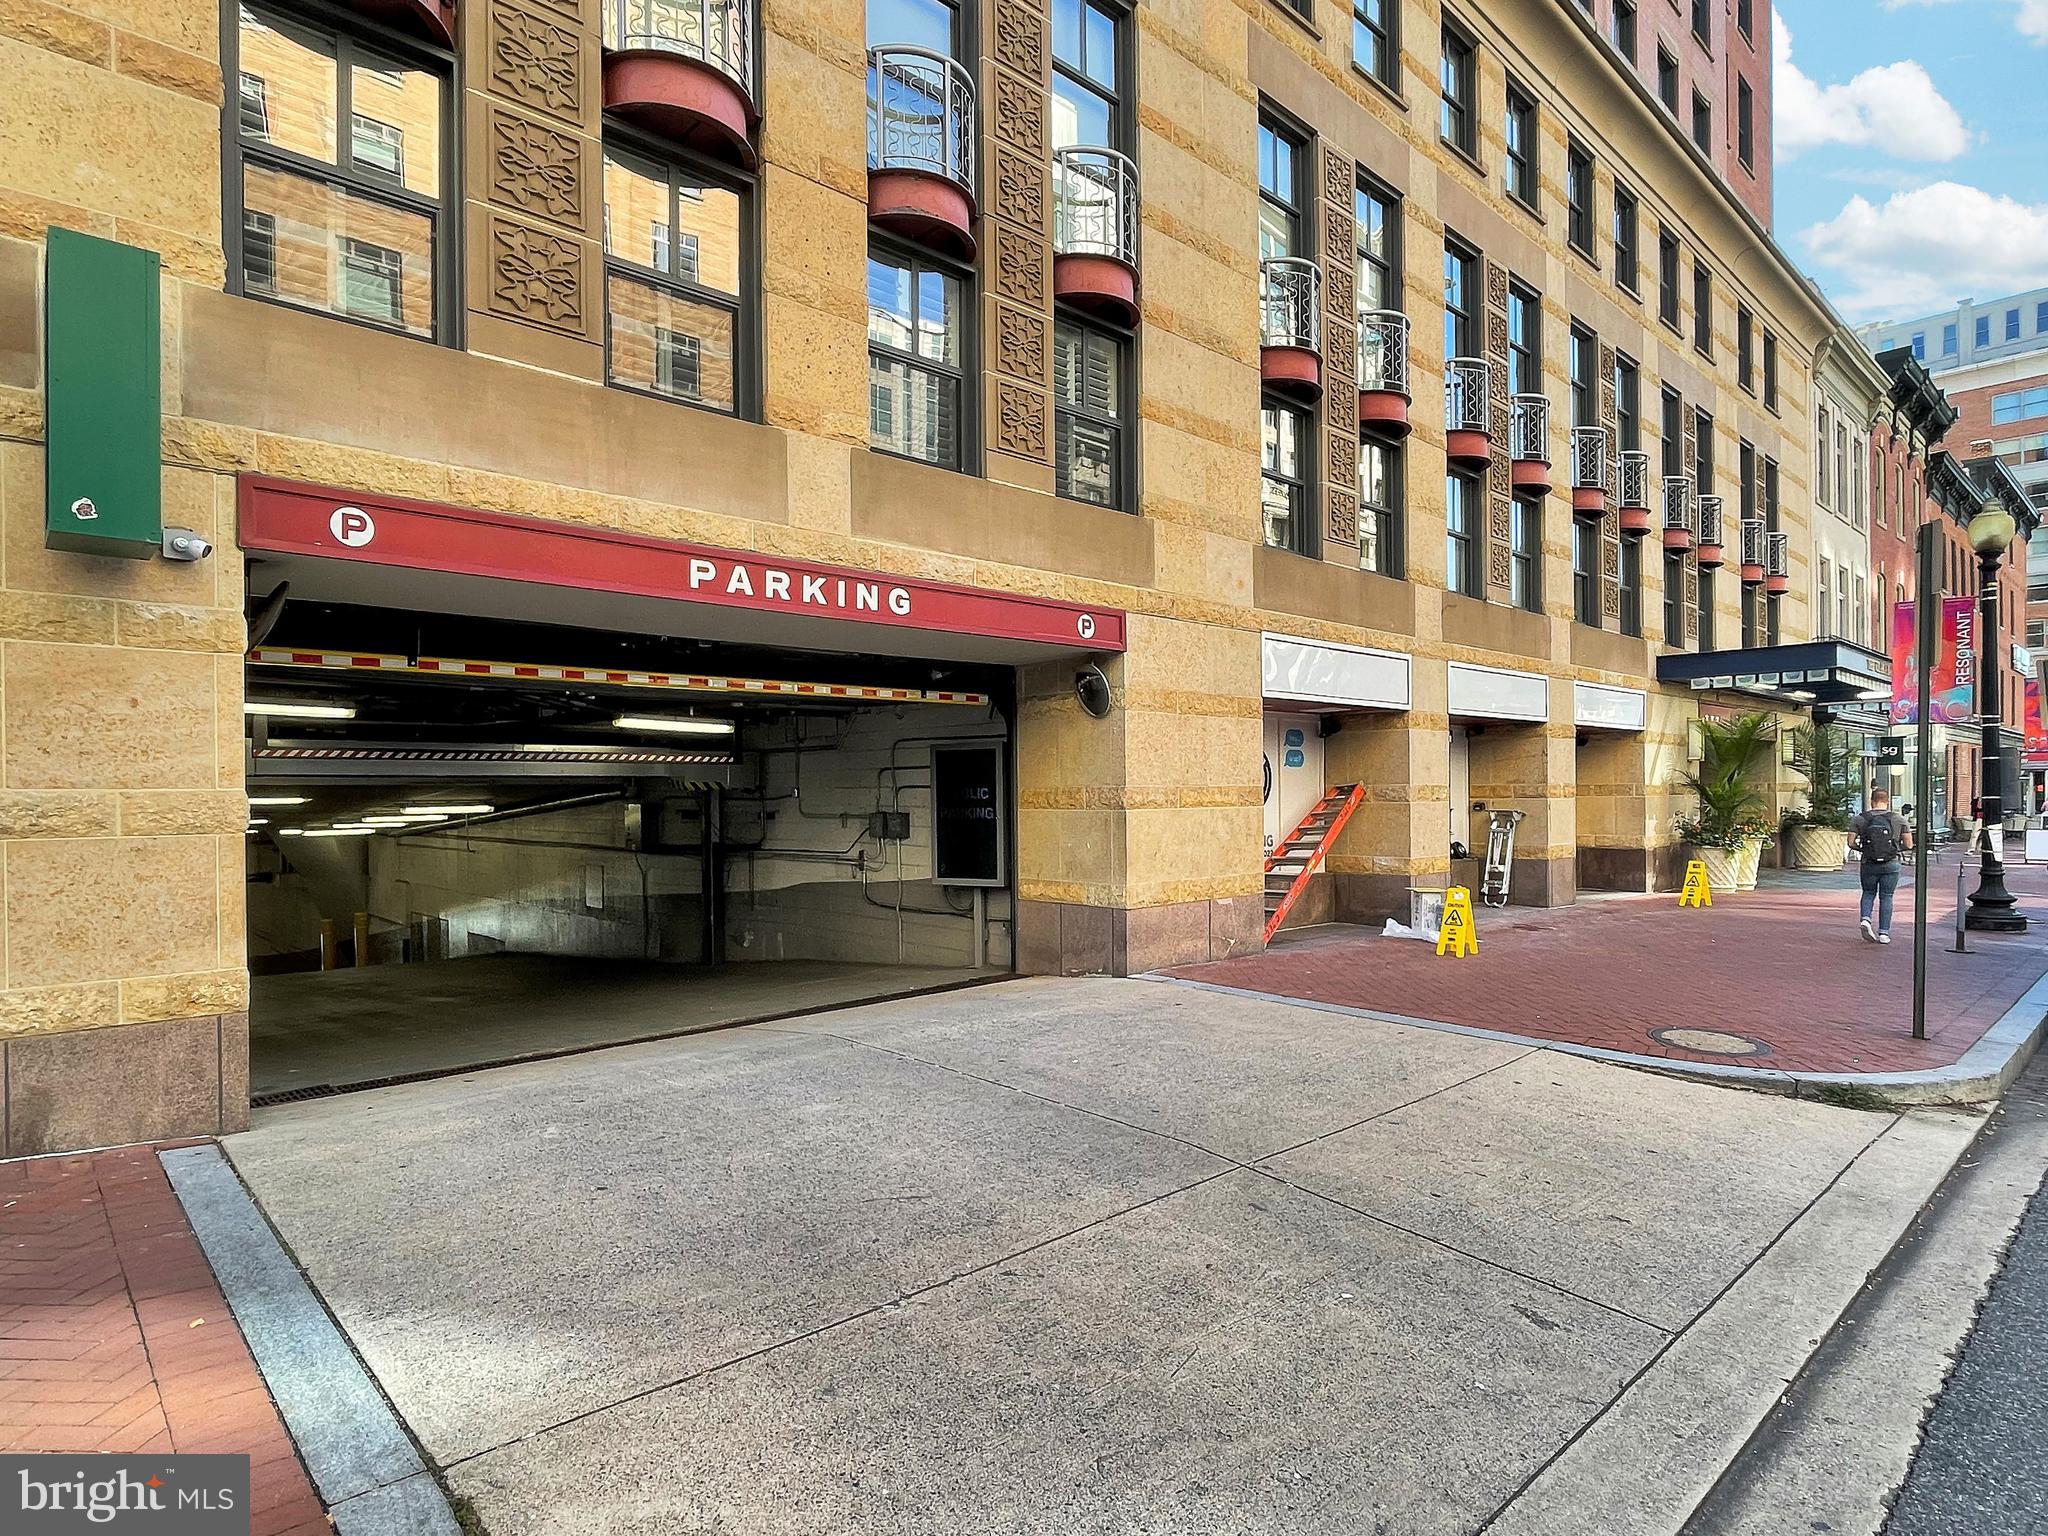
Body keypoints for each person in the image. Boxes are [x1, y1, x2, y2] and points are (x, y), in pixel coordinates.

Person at [1849, 788, 1912, 945]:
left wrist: (1863, 850)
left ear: (1871, 801)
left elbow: (1850, 842)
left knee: (1868, 892)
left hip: (1868, 862)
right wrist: (1895, 850)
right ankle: (1884, 933)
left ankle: (1865, 918)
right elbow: (1909, 844)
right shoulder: (1898, 819)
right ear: (1887, 801)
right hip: (1890, 864)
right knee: (1887, 896)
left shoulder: (1860, 819)